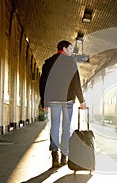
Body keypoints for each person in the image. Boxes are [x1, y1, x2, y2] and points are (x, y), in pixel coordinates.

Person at [39, 40, 86, 168]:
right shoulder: (71, 63)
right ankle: (64, 155)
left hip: (53, 100)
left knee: (55, 126)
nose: (71, 52)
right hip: (68, 100)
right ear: (64, 49)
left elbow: (43, 83)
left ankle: (55, 156)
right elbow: (76, 82)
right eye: (70, 49)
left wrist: (43, 101)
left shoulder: (48, 63)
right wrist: (82, 101)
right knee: (66, 128)